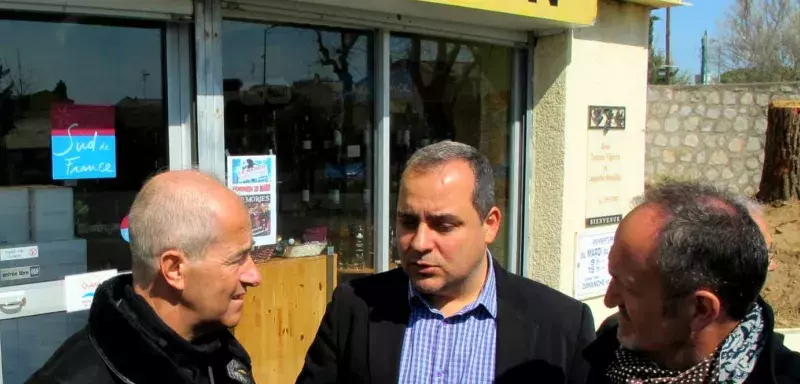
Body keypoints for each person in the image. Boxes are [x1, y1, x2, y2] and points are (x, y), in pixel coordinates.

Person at [296, 141, 596, 384]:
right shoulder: (355, 306)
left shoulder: (562, 326)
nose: (419, 243)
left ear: (490, 224)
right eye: (408, 221)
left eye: (444, 225)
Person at [27, 170, 262, 384]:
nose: (255, 276)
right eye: (237, 259)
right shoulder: (71, 378)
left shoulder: (223, 354)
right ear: (174, 269)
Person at [584, 181, 800, 383]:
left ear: (700, 310)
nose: (609, 300)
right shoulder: (604, 355)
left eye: (628, 286)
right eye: (613, 277)